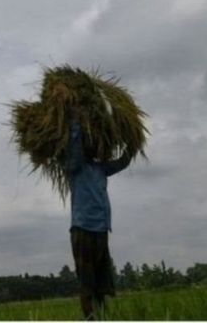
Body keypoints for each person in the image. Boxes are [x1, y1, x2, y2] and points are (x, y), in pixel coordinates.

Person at [67, 117, 132, 320]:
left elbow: (123, 161)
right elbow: (76, 147)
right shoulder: (75, 166)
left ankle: (103, 316)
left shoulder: (100, 169)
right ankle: (90, 318)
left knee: (101, 281)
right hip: (83, 228)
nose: (95, 148)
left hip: (101, 229)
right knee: (86, 281)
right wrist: (75, 120)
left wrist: (133, 141)